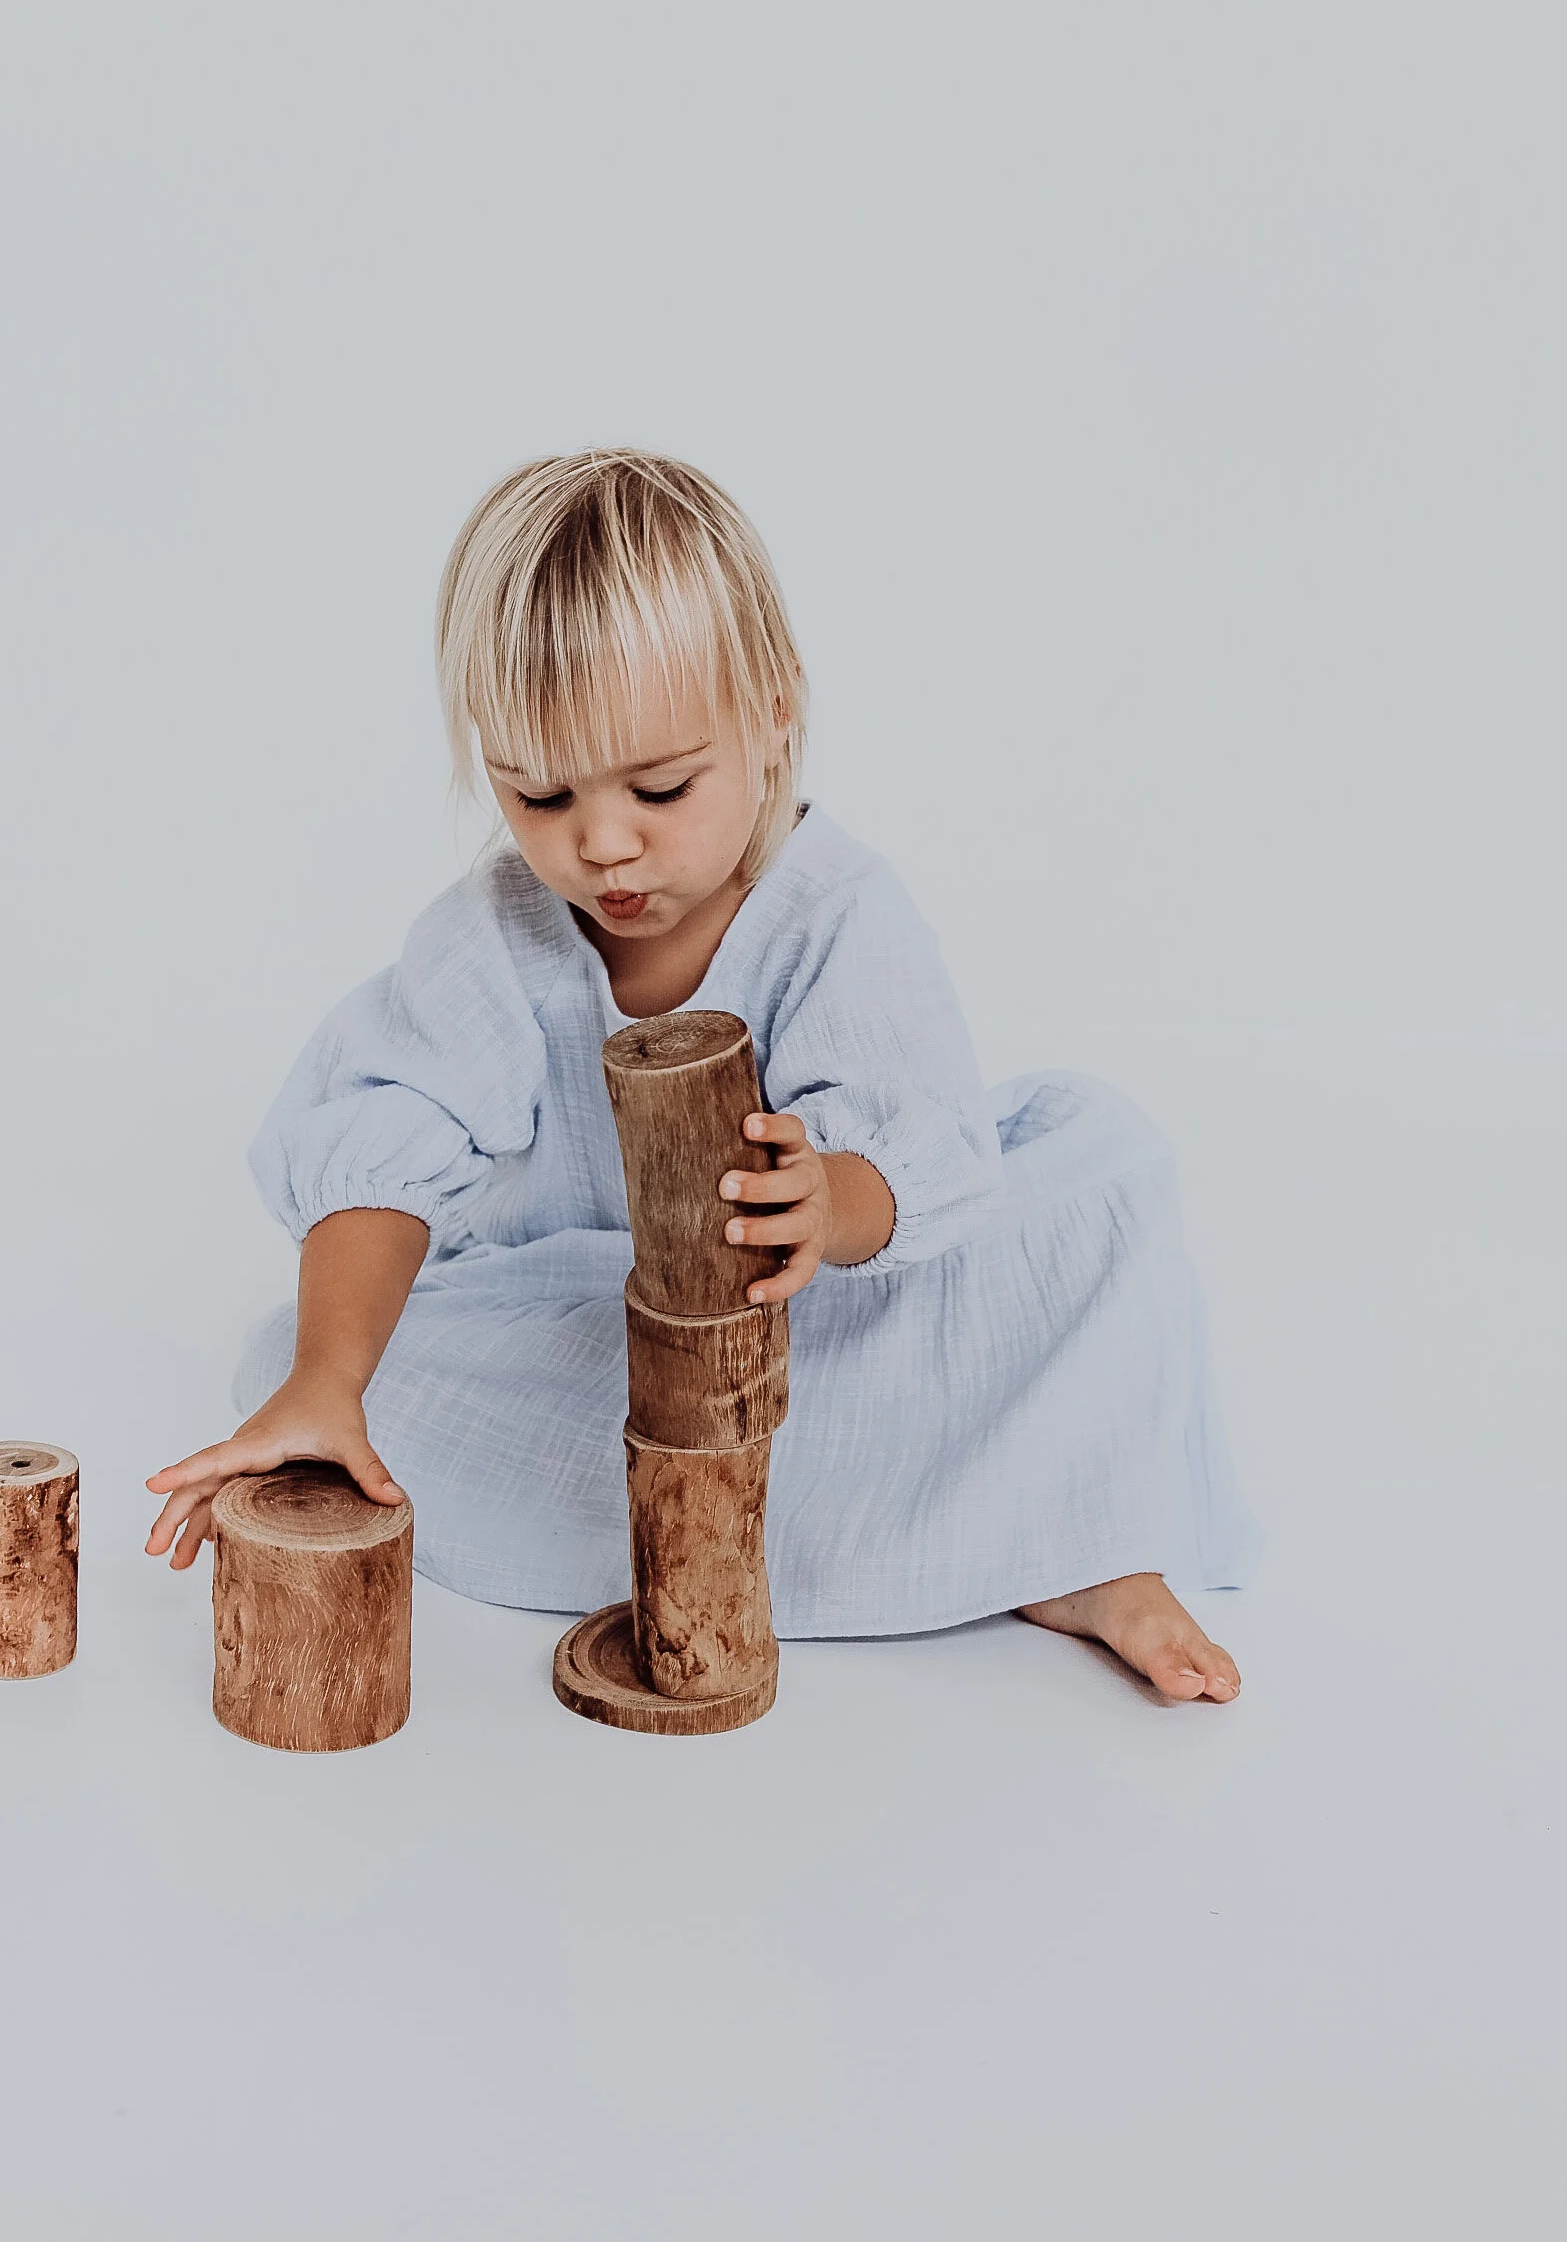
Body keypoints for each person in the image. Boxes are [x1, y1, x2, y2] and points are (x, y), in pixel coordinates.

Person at [146, 451, 1257, 1701]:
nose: (602, 843)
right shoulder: (498, 932)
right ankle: (886, 1524)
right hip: (591, 1319)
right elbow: (386, 1135)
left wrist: (830, 1202)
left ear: (774, 713)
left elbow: (918, 1151)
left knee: (1106, 1167)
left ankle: (1065, 1536)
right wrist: (328, 1379)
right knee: (308, 1354)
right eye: (539, 794)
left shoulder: (834, 912)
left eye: (661, 786)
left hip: (808, 1315)